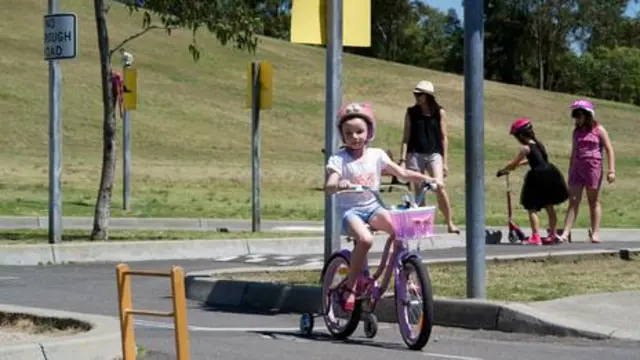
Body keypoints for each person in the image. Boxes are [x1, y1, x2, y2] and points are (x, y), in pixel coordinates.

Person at [325, 102, 442, 311]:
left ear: (369, 132)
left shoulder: (377, 155)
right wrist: (338, 183)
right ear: (342, 136)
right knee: (365, 239)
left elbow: (402, 174)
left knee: (402, 229)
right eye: (348, 133)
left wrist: (428, 179)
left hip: (373, 207)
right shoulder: (339, 159)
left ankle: (402, 272)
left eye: (360, 132)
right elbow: (330, 184)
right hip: (350, 212)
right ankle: (350, 286)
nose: (355, 137)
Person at [399, 80, 460, 234]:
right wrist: (402, 159)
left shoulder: (439, 112)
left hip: (434, 153)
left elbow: (444, 137)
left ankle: (450, 222)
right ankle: (423, 226)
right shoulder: (411, 112)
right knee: (419, 190)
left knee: (439, 186)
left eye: (419, 94)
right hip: (415, 153)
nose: (416, 97)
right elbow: (406, 137)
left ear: (427, 96)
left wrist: (445, 162)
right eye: (415, 94)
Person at [496, 118, 569, 245]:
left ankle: (536, 236)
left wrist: (503, 170)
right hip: (550, 173)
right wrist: (519, 165)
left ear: (521, 135)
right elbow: (536, 159)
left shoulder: (525, 148)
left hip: (537, 177)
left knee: (532, 207)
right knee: (549, 205)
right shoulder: (538, 144)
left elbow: (513, 164)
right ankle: (552, 234)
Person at [558, 100, 615, 244]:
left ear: (588, 115)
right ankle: (565, 233)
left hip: (593, 168)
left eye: (579, 115)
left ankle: (595, 233)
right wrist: (570, 170)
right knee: (574, 201)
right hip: (577, 168)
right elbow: (573, 151)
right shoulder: (576, 132)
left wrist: (611, 170)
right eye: (575, 115)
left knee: (593, 201)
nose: (577, 118)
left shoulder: (599, 130)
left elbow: (609, 149)